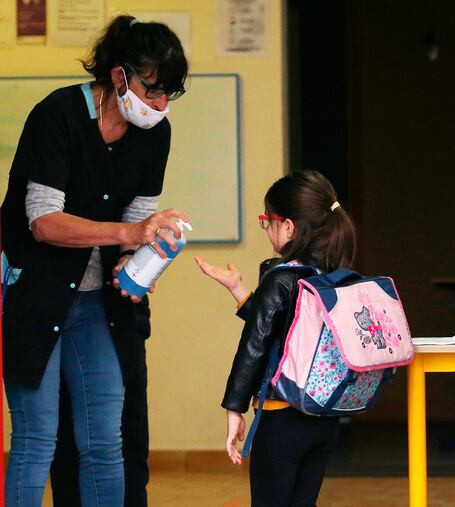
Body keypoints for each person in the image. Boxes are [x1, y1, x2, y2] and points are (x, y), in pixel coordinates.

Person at [1, 14, 188, 507]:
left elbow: (139, 215)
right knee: (36, 441)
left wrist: (135, 262)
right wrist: (131, 233)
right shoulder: (57, 115)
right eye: (152, 91)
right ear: (119, 75)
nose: (160, 105)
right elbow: (43, 220)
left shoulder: (155, 134)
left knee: (106, 442)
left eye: (170, 94)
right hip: (35, 297)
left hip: (97, 306)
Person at [195, 170, 356, 506]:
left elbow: (255, 346)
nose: (266, 228)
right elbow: (284, 328)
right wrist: (238, 289)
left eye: (267, 220)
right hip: (325, 420)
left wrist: (234, 408)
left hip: (282, 419)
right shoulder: (334, 277)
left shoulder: (281, 278)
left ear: (288, 227)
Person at [50, 296, 152, 507]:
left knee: (127, 440)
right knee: (65, 445)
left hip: (124, 313)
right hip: (57, 310)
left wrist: (143, 264)